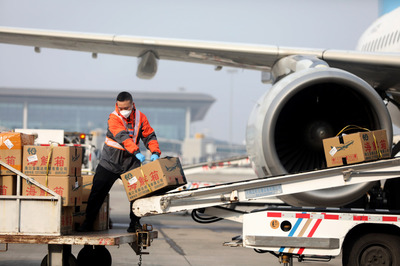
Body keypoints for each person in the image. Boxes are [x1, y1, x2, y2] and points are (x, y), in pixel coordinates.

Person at [78, 91, 161, 232]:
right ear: (117, 105)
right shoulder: (113, 118)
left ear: (132, 105)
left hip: (130, 164)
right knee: (97, 193)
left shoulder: (141, 117)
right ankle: (88, 223)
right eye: (121, 108)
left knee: (138, 194)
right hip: (110, 163)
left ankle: (134, 224)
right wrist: (136, 152)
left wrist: (155, 151)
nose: (124, 111)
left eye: (126, 108)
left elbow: (149, 135)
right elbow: (122, 137)